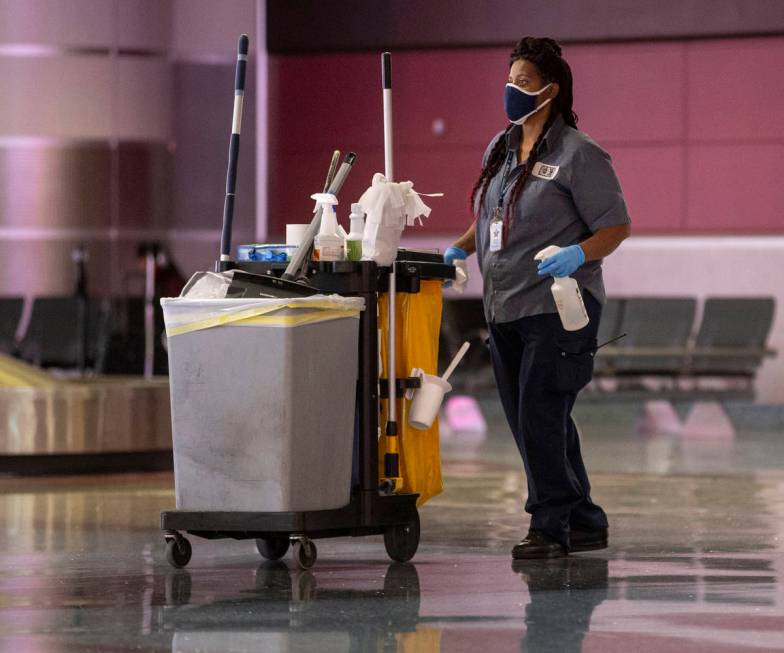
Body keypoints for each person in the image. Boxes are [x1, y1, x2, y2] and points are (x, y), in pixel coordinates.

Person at [444, 37, 631, 558]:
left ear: (551, 90)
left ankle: (549, 526)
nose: (513, 90)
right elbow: (490, 215)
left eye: (524, 83)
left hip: (559, 304)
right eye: (511, 80)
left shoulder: (580, 153)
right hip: (504, 304)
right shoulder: (500, 148)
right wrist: (458, 251)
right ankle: (585, 518)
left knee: (539, 412)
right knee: (532, 415)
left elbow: (616, 227)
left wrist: (577, 253)